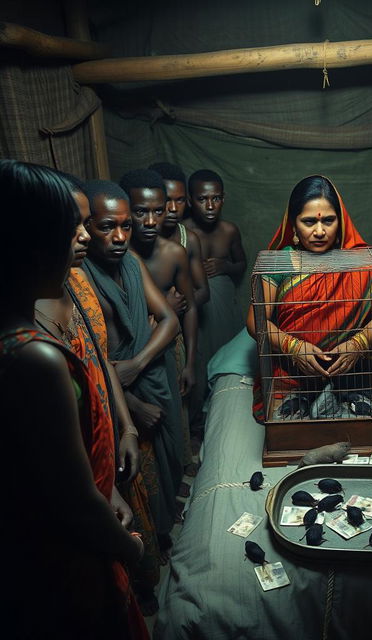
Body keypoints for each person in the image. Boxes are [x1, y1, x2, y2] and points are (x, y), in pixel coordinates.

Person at [0, 160, 148, 638]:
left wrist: (106, 484)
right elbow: (73, 501)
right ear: (33, 244)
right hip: (62, 556)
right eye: (72, 231)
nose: (81, 240)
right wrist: (128, 550)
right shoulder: (34, 358)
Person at [36, 173, 162, 614]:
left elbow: (100, 356)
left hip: (109, 444)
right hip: (81, 489)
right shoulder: (32, 343)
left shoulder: (75, 281)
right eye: (77, 224)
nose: (87, 236)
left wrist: (125, 426)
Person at [247, 175, 372, 422]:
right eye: (309, 222)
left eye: (328, 221)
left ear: (340, 222)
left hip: (352, 371)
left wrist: (358, 344)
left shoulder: (361, 263)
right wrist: (293, 347)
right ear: (294, 225)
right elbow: (256, 321)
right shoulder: (279, 262)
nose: (319, 231)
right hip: (292, 373)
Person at [82, 179, 182, 563]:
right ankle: (145, 563)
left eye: (126, 225)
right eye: (108, 226)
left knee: (167, 465)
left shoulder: (131, 261)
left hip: (146, 375)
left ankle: (162, 535)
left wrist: (136, 365)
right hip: (119, 399)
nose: (122, 236)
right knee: (136, 481)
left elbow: (169, 318)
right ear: (87, 227)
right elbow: (94, 361)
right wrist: (132, 405)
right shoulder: (81, 279)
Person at [120, 168, 198, 475]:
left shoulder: (174, 253)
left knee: (172, 416)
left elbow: (189, 308)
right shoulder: (117, 253)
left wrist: (191, 362)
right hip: (127, 354)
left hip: (168, 347)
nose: (151, 221)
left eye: (158, 210)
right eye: (141, 212)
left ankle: (177, 473)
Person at [185, 169, 247, 426]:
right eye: (202, 199)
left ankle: (223, 418)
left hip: (224, 305)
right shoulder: (183, 231)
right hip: (197, 307)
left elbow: (242, 264)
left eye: (216, 198)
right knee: (198, 361)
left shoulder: (229, 231)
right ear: (190, 200)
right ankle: (197, 423)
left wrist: (224, 267)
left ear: (223, 198)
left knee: (226, 359)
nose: (210, 206)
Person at [149, 161, 209, 309]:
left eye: (180, 200)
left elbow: (203, 291)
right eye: (167, 200)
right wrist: (164, 308)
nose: (174, 208)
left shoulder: (189, 239)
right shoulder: (139, 239)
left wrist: (179, 306)